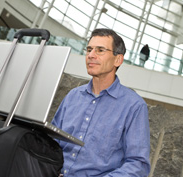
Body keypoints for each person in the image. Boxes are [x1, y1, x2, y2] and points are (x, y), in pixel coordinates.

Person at [52, 28, 150, 177]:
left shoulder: (134, 106)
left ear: (118, 59)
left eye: (100, 50)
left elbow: (138, 165)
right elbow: (51, 142)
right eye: (89, 49)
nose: (91, 55)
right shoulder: (73, 96)